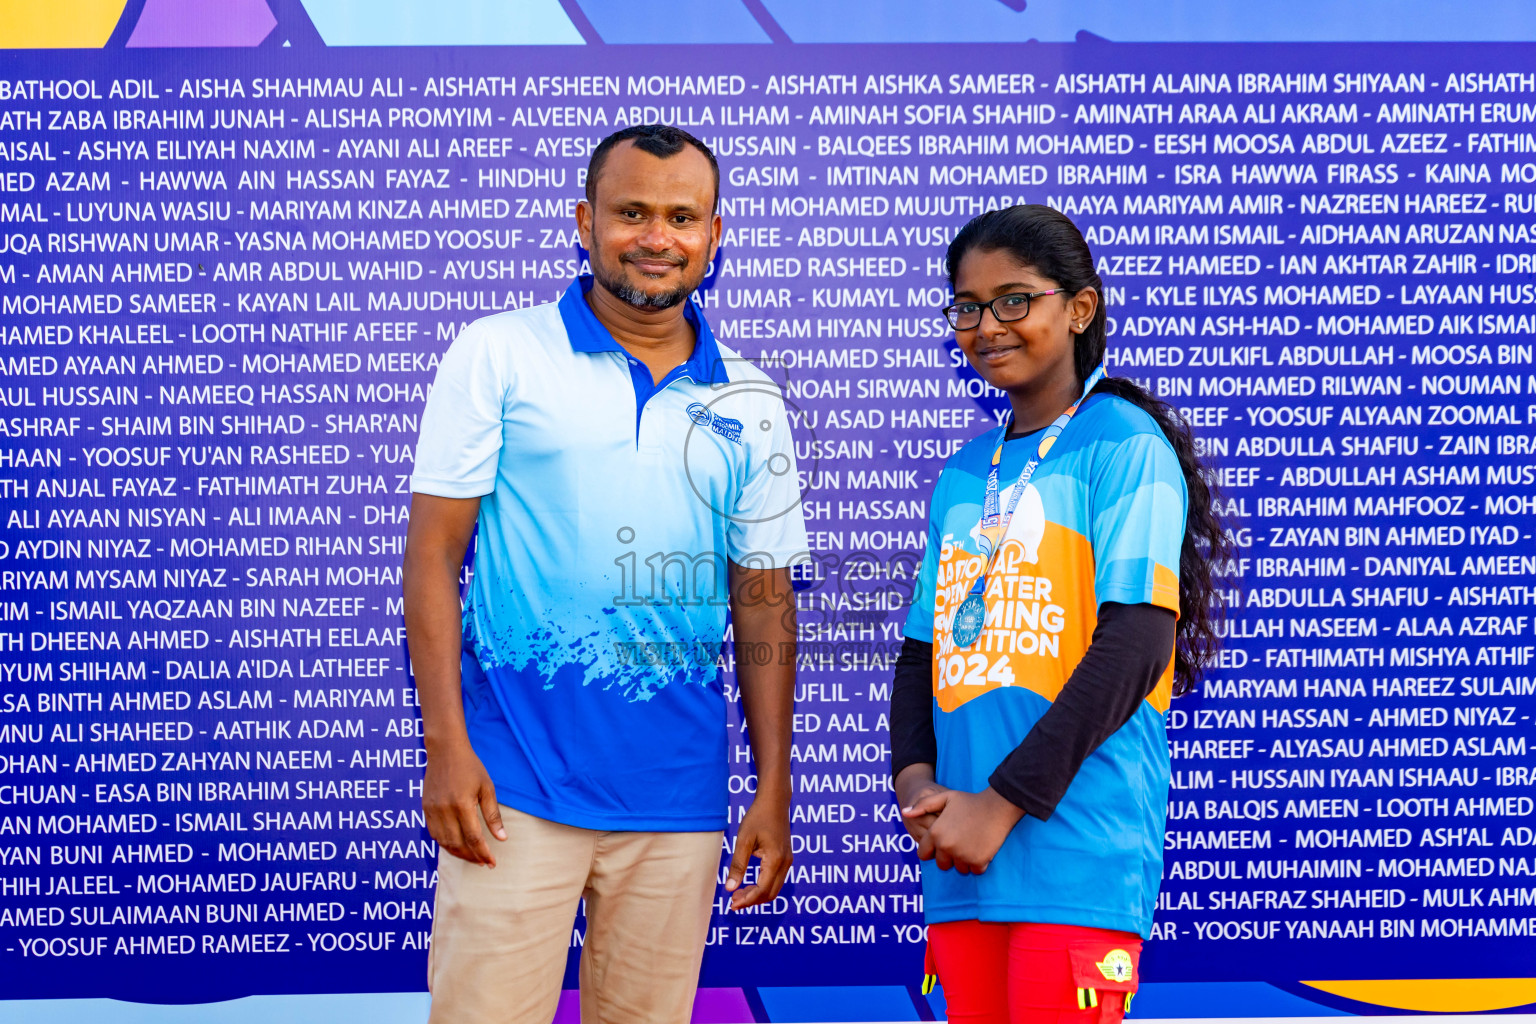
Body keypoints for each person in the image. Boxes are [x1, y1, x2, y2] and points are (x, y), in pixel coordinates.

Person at [403, 124, 808, 1024]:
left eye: (680, 216)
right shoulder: (499, 352)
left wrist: (773, 783)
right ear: (585, 223)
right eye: (631, 212)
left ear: (713, 235)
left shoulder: (751, 397)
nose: (656, 236)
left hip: (679, 800)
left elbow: (765, 598)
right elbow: (434, 555)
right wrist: (446, 747)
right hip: (512, 790)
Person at [889, 204, 1229, 1024]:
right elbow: (918, 656)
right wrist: (920, 786)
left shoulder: (1124, 444)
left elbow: (1137, 645)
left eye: (1015, 300)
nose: (986, 326)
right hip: (963, 862)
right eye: (967, 307)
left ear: (1078, 309)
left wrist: (997, 805)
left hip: (1074, 854)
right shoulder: (967, 469)